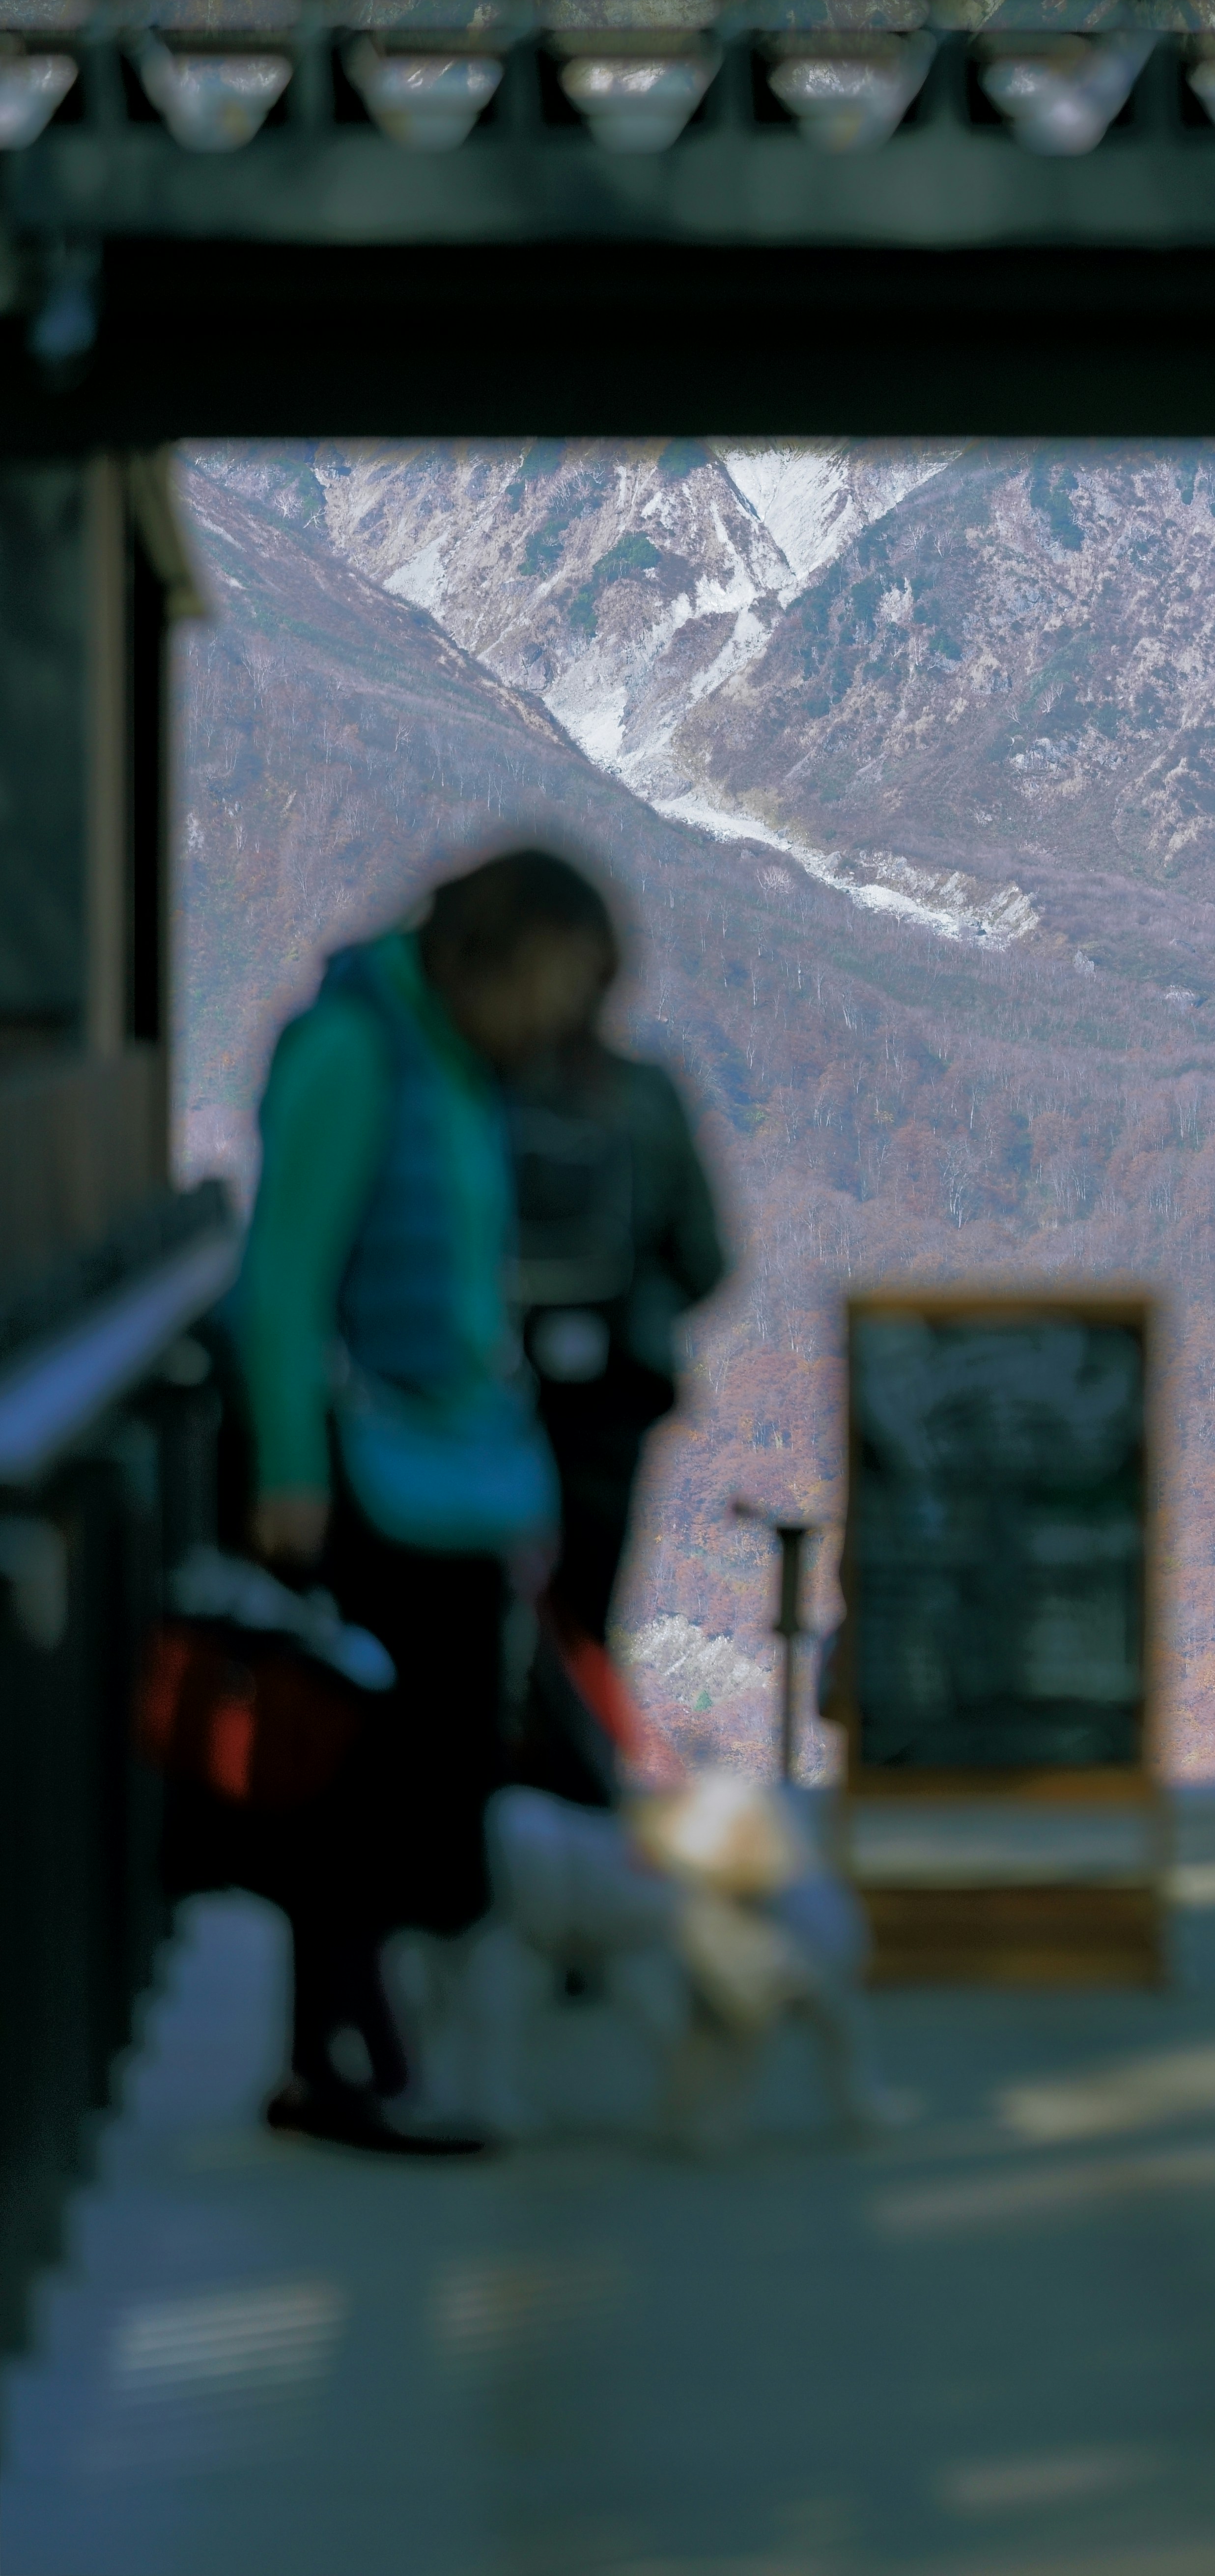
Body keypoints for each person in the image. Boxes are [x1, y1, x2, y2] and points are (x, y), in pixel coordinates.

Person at [231, 845, 617, 2151]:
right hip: (369, 1478)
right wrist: (288, 1477)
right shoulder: (356, 1050)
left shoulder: (454, 1063)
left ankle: (384, 2059)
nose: (558, 1021)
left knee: (437, 1782)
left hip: (458, 1476)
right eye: (552, 985)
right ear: (484, 953)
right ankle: (356, 2067)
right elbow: (283, 1280)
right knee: (373, 1789)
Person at [507, 995, 727, 1660]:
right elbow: (707, 1264)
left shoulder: (477, 1095)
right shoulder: (647, 1094)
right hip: (612, 1396)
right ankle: (577, 1742)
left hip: (488, 1387)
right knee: (586, 1615)